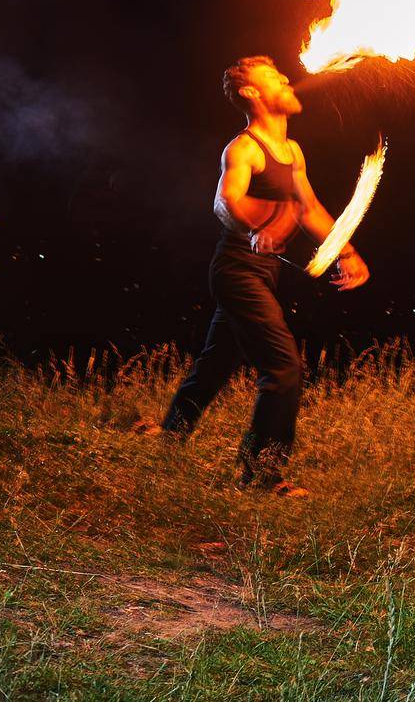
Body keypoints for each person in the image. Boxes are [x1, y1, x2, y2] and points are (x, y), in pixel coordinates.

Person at [138, 55, 369, 496]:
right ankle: (261, 476)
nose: (286, 78)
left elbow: (310, 209)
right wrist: (254, 228)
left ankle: (169, 437)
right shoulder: (243, 148)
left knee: (217, 362)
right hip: (236, 270)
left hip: (264, 272)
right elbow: (224, 202)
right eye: (274, 76)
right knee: (284, 369)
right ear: (251, 93)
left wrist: (346, 251)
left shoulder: (292, 150)